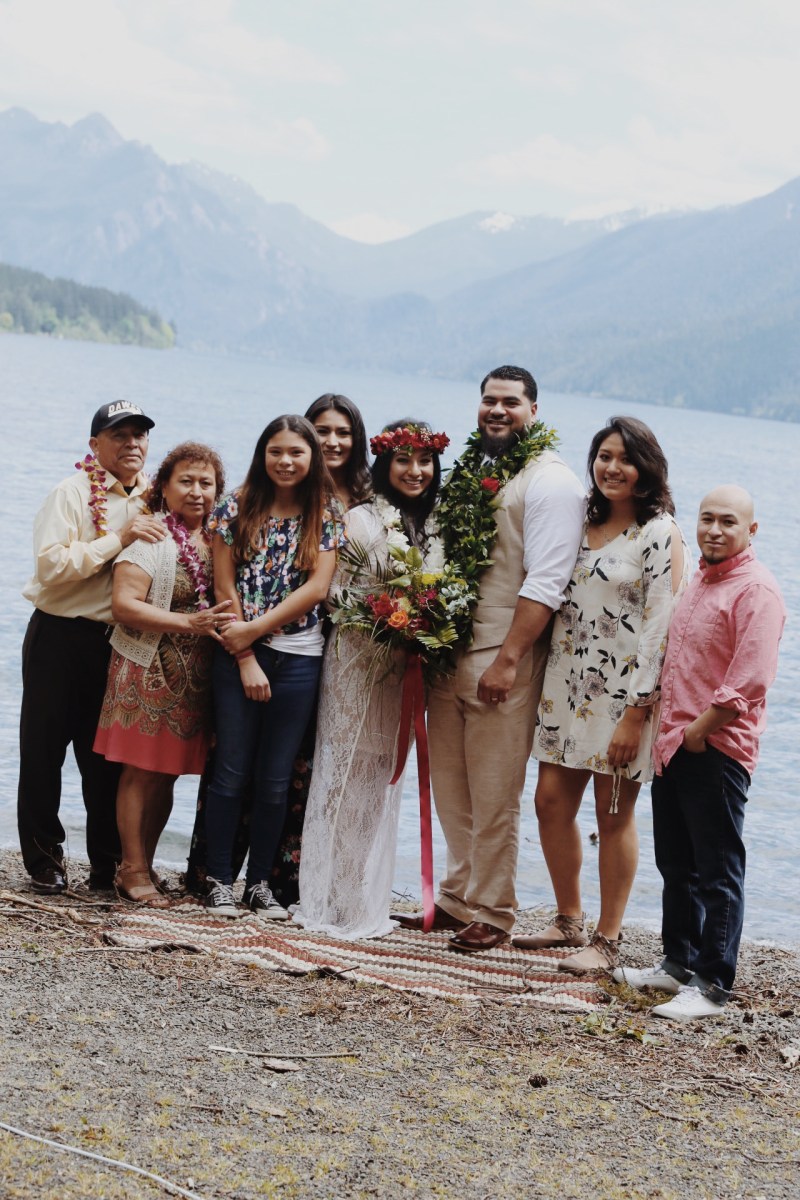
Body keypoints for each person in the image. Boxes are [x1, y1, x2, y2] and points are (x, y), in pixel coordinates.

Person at [397, 365, 585, 951]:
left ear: (534, 409)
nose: (497, 410)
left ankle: (495, 910)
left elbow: (547, 583)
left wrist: (508, 660)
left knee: (495, 788)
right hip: (451, 650)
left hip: (503, 654)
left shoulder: (550, 481)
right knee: (452, 783)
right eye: (488, 401)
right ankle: (456, 898)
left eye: (510, 402)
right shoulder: (478, 468)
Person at [183, 393, 372, 903]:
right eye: (275, 451)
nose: (285, 461)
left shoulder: (326, 513)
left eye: (296, 452)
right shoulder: (235, 506)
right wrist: (244, 653)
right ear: (262, 455)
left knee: (275, 778)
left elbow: (316, 588)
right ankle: (220, 879)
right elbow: (224, 584)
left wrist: (256, 629)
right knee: (231, 771)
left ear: (311, 459)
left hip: (300, 657)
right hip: (235, 655)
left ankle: (260, 884)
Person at [515, 417, 688, 972]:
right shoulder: (580, 521)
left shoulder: (660, 532)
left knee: (612, 816)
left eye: (624, 458)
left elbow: (662, 627)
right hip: (565, 687)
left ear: (647, 467)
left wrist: (638, 713)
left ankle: (608, 939)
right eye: (603, 456)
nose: (612, 467)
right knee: (548, 804)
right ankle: (569, 919)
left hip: (624, 698)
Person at [613, 485, 785, 1021]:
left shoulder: (755, 591)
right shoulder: (700, 583)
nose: (714, 529)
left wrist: (699, 732)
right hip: (674, 746)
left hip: (714, 747)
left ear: (749, 530)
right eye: (707, 518)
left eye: (727, 521)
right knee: (677, 864)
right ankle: (678, 963)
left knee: (717, 869)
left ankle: (712, 984)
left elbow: (749, 682)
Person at [294, 419, 447, 939]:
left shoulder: (439, 526)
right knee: (341, 775)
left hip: (404, 672)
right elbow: (329, 593)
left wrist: (426, 624)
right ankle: (321, 897)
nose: (415, 470)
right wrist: (381, 614)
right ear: (384, 464)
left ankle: (360, 897)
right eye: (403, 460)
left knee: (382, 779)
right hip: (356, 663)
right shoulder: (358, 520)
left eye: (424, 461)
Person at [17, 401, 165, 895]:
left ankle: (107, 864)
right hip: (58, 635)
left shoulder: (155, 498)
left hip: (117, 643)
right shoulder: (70, 493)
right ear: (95, 445)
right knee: (43, 752)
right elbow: (50, 567)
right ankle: (43, 861)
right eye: (119, 435)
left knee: (105, 758)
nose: (132, 444)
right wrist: (117, 539)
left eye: (139, 435)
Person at [93, 443, 234, 907]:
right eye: (186, 481)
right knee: (141, 772)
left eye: (206, 483)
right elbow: (123, 606)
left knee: (169, 773)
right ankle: (130, 870)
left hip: (195, 675)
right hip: (145, 667)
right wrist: (187, 623)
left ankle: (147, 863)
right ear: (165, 487)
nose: (197, 492)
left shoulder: (218, 538)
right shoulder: (153, 536)